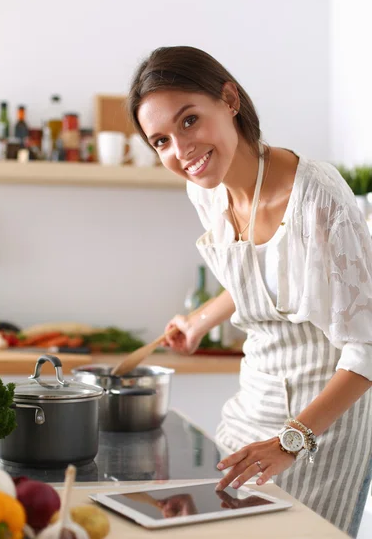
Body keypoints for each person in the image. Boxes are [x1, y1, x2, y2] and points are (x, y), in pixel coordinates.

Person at [127, 46, 372, 537]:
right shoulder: (206, 188)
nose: (182, 151)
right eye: (161, 141)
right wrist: (198, 321)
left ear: (230, 99)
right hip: (252, 402)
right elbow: (270, 276)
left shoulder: (318, 199)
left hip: (323, 422)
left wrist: (290, 441)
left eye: (190, 120)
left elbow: (367, 345)